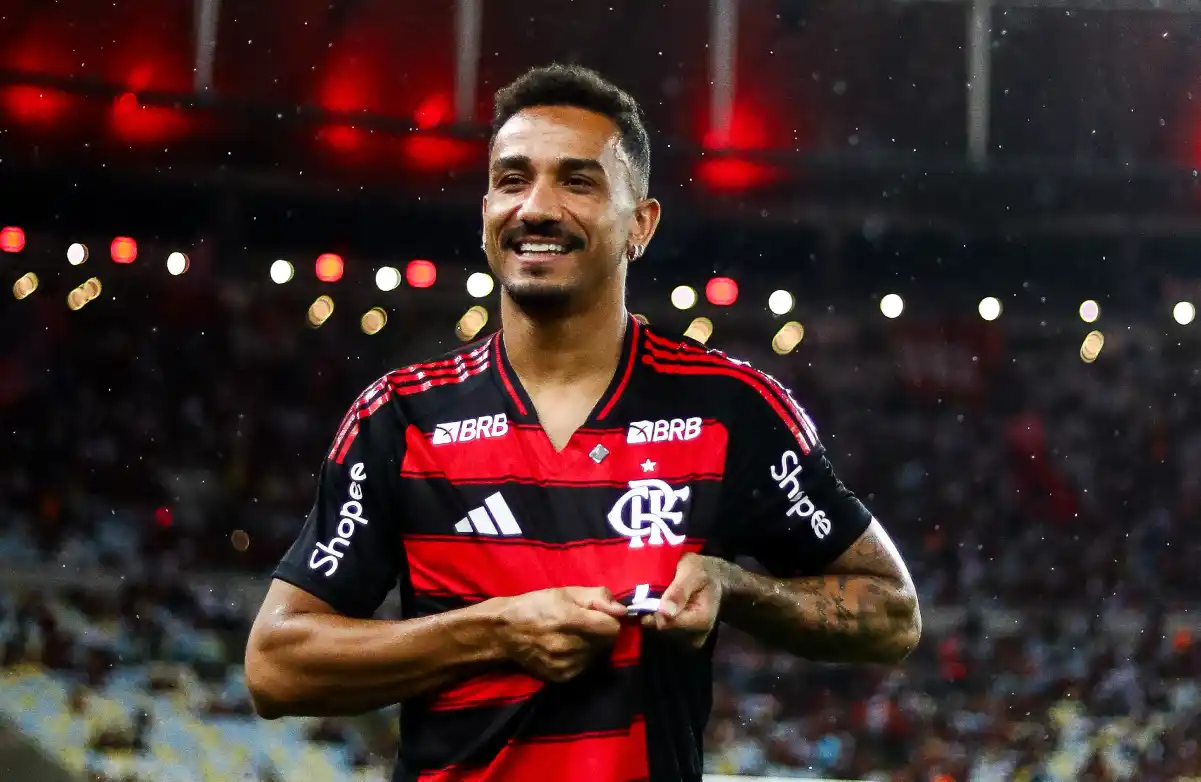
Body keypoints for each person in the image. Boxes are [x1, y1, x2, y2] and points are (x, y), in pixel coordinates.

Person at [245, 63, 921, 782]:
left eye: (577, 181)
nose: (535, 206)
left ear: (640, 224)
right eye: (511, 179)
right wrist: (494, 631)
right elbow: (277, 666)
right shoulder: (400, 418)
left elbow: (891, 616)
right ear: (484, 214)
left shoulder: (731, 409)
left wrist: (735, 587)